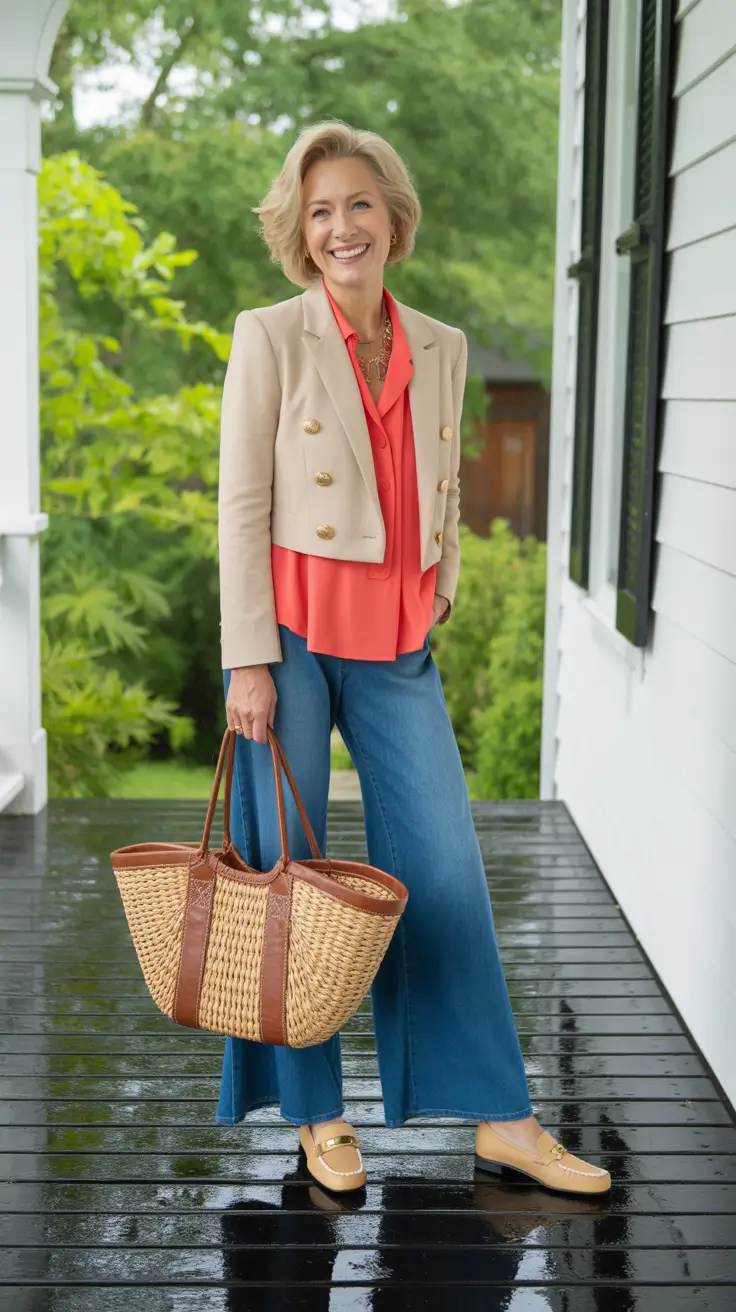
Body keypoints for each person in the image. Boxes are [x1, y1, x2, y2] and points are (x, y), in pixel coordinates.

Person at [216, 119, 611, 1198]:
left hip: (395, 645)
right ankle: (316, 1112)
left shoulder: (438, 342)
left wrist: (439, 575)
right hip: (286, 642)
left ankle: (501, 1118)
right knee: (287, 874)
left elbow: (441, 476)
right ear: (301, 234)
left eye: (357, 204)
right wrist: (247, 657)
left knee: (441, 872)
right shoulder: (271, 334)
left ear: (393, 215)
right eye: (319, 211)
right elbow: (241, 504)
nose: (341, 226)